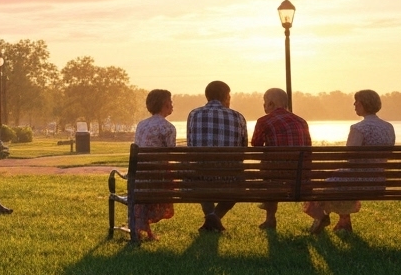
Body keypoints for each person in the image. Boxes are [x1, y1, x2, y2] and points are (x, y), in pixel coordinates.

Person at [305, 90, 395, 234]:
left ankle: (325, 217)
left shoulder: (358, 128)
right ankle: (343, 223)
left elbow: (350, 157)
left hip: (357, 181)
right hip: (378, 181)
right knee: (339, 180)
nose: (354, 104)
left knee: (326, 184)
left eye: (357, 101)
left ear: (364, 104)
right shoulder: (388, 127)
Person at [185, 80, 247, 232]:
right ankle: (216, 216)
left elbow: (191, 146)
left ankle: (211, 217)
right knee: (240, 184)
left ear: (207, 97)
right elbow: (243, 150)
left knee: (197, 176)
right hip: (230, 178)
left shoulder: (194, 114)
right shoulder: (238, 117)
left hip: (201, 177)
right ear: (226, 97)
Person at [250, 88, 311, 229]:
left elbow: (256, 146)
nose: (264, 106)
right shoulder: (301, 121)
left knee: (269, 169)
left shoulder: (264, 121)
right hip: (300, 175)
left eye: (264, 103)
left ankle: (270, 219)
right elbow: (308, 148)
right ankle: (320, 215)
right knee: (273, 168)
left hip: (275, 176)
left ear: (270, 103)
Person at [130, 89, 176, 241]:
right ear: (165, 104)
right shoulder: (168, 127)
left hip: (140, 179)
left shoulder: (141, 125)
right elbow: (171, 154)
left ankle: (143, 230)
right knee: (166, 172)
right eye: (171, 100)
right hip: (158, 179)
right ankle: (145, 231)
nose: (172, 103)